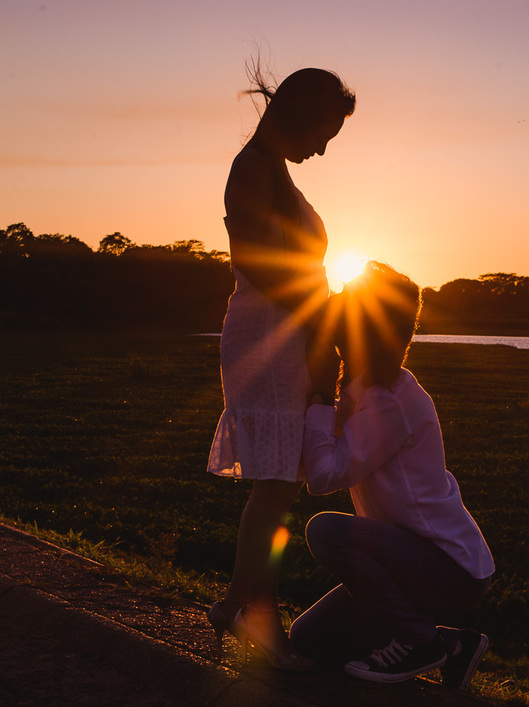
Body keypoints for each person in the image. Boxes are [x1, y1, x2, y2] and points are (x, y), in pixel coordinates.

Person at [206, 64, 356, 670]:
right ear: (299, 117)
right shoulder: (252, 168)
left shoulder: (273, 169)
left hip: (288, 331)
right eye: (322, 135)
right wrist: (317, 317)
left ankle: (235, 605)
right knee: (275, 485)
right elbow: (253, 259)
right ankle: (256, 613)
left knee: (280, 482)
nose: (321, 149)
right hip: (270, 335)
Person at [288, 262, 495, 689]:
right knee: (308, 639)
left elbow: (323, 478)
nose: (332, 304)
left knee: (326, 531)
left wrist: (321, 394)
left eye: (343, 301)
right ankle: (454, 645)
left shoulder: (388, 401)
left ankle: (420, 642)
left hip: (448, 568)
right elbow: (322, 460)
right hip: (401, 560)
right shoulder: (363, 388)